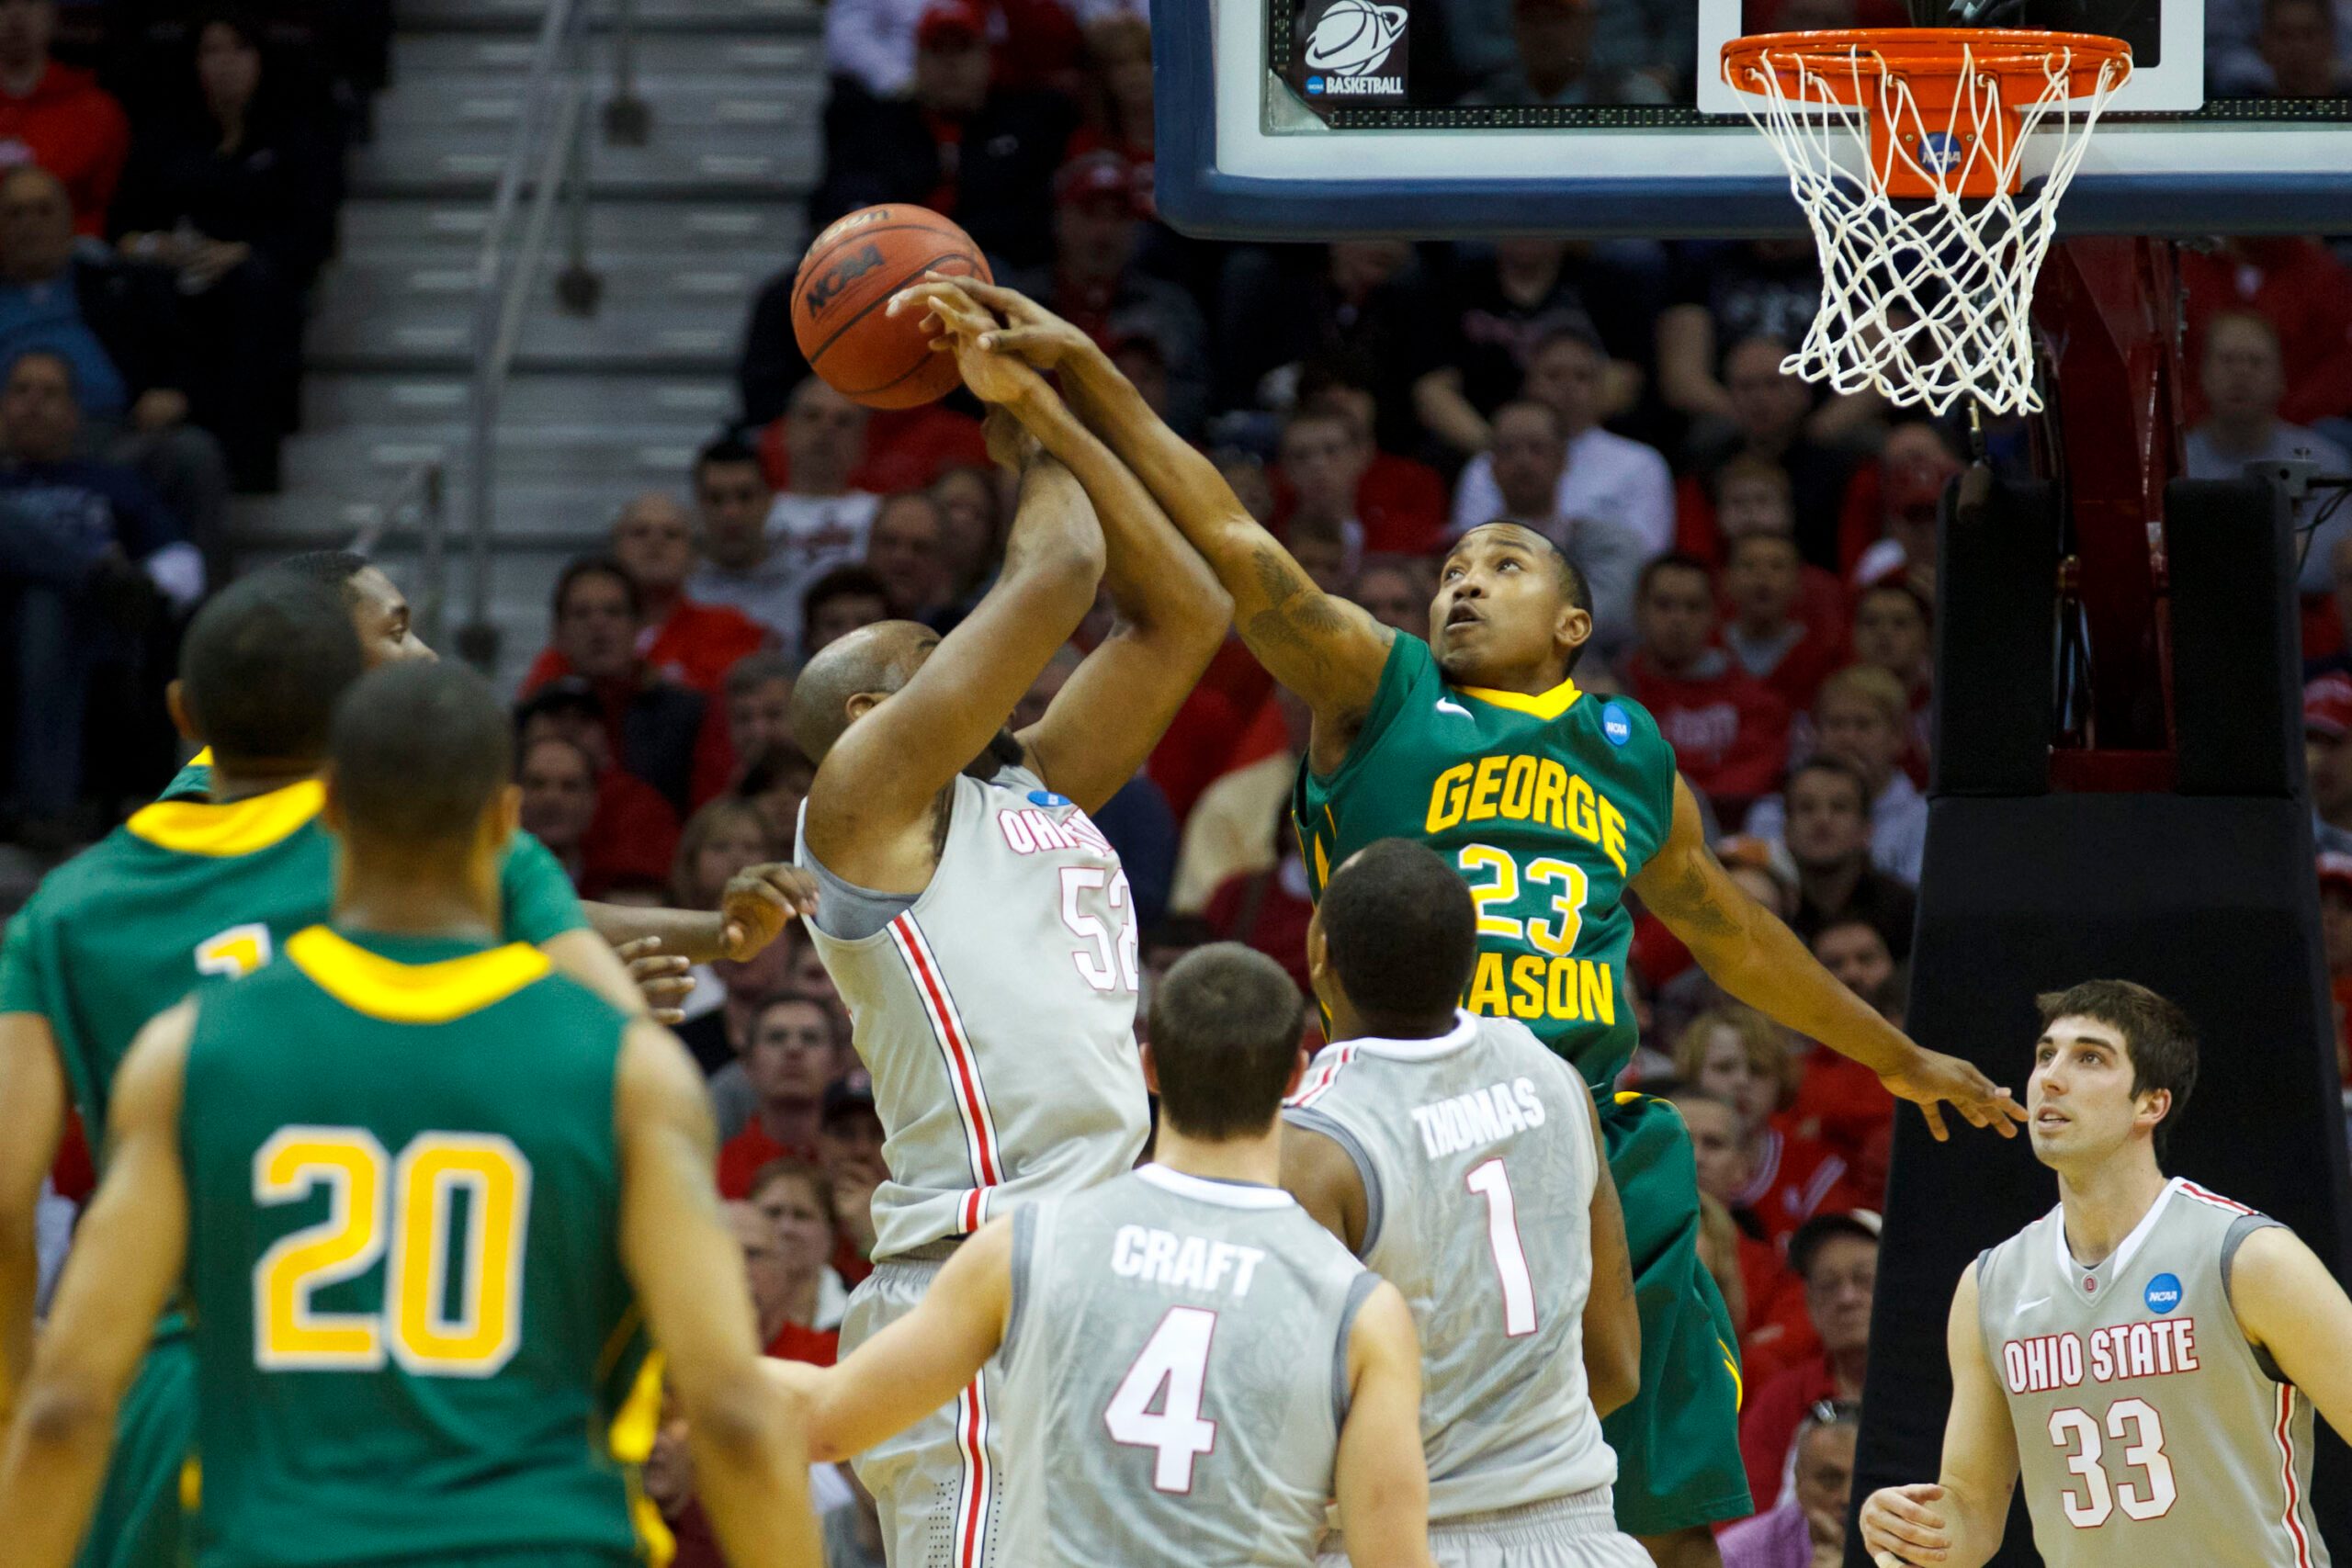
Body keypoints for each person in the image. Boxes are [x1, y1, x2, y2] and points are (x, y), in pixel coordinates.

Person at [931, 274, 2021, 1568]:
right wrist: (1088, 380)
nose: (1460, 583)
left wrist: (1893, 1054)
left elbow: (1733, 938)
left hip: (1591, 1129)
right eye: (1451, 565)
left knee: (1661, 1507)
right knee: (1348, 1486)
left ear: (1574, 621)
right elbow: (1239, 548)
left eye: (1501, 567)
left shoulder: (1627, 746)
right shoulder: (1376, 684)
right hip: (1392, 1126)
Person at [0, 659, 820, 1567]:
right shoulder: (628, 1068)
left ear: (332, 812)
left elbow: (69, 1407)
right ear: (509, 825)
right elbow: (736, 1417)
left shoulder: (191, 1052)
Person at [785, 284, 1230, 1566]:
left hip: (1112, 1258)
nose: (983, 657)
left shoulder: (1029, 780)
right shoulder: (862, 808)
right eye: (945, 650)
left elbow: (1183, 613)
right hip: (974, 1278)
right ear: (877, 710)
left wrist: (1063, 406)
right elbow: (1063, 569)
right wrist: (1024, 423)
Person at [768, 943, 1438, 1568]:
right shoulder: (1359, 1307)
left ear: (1147, 1067)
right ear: (1297, 1073)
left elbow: (825, 1421)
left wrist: (683, 1351)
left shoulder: (1029, 1244)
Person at [1861, 981, 2352, 1567]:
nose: (2052, 1076)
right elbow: (1971, 1515)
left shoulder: (2248, 1257)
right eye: (2046, 1054)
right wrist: (1910, 1529)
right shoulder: (1990, 1285)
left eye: (2089, 1057)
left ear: (2151, 1103)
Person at [1280, 840, 1649, 1568]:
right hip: (1583, 1534)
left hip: (1392, 1541)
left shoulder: (1313, 1146)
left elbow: (1285, 1430)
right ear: (1472, 956)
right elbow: (1616, 1364)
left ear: (1320, 954)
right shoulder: (1554, 1080)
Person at [1449, 324, 1675, 558]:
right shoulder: (1485, 466)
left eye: (1581, 376)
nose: (1568, 387)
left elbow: (1649, 554)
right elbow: (1469, 547)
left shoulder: (1641, 464)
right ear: (1530, 383)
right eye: (1553, 375)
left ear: (1600, 387)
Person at [526, 492, 767, 695]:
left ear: (695, 557)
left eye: (671, 534)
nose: (655, 542)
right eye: (640, 532)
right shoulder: (576, 640)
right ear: (615, 549)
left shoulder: (730, 630)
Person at [2185, 310, 2352, 593]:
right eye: (2227, 360)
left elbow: (2335, 560)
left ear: (2281, 379)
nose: (2241, 373)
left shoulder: (2325, 460)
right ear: (2203, 375)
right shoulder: (2177, 460)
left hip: (2304, 621)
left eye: (2256, 361)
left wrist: (2228, 556)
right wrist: (2280, 551)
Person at [1620, 554, 1792, 817]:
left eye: (1693, 606)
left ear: (1715, 614)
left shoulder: (1757, 702)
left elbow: (1752, 780)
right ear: (1639, 610)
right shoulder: (1613, 693)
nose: (1678, 619)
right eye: (1664, 605)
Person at [543, 556, 717, 814]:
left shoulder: (690, 716)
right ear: (558, 632)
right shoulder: (534, 719)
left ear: (639, 627)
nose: (598, 625)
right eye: (581, 613)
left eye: (613, 612)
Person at [1478, 398, 1646, 658]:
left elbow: (1609, 619)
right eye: (1508, 449)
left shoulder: (1612, 543)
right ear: (1491, 464)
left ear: (1563, 458)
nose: (1523, 461)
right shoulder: (1464, 549)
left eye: (1537, 448)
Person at [1737, 1211, 1876, 1510]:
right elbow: (1746, 1527)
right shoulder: (1780, 1402)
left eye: (1864, 1279)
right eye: (1828, 1285)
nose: (1847, 1298)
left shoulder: (1937, 1390)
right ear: (1810, 1304)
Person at [1744, 666, 1928, 884]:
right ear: (1815, 734)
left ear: (1897, 736)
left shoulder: (1924, 819)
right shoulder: (1771, 817)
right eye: (1836, 724)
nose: (1848, 739)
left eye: (1863, 725)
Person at [0, 0, 129, 234]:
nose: (16, 14)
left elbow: (106, 203)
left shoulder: (95, 110)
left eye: (29, 4)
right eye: (4, 4)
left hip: (73, 252)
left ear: (52, 15)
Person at [1781, 758, 1916, 961]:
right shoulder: (1772, 908)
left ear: (1867, 829)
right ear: (1786, 829)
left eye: (1839, 807)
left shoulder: (1905, 912)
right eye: (1807, 807)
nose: (1822, 820)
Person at [718, 994, 845, 1196]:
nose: (793, 1049)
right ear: (747, 1063)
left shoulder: (860, 1165)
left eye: (810, 1038)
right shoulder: (714, 1170)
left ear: (838, 1063)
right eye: (776, 1037)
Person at [688, 436, 804, 645]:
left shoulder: (804, 590)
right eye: (715, 498)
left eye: (745, 496)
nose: (731, 512)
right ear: (698, 504)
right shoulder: (678, 589)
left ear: (770, 500)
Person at [1717, 1403, 1858, 1568]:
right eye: (1829, 1480)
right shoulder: (1737, 1557)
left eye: (1861, 1480)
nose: (1848, 1498)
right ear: (1799, 1481)